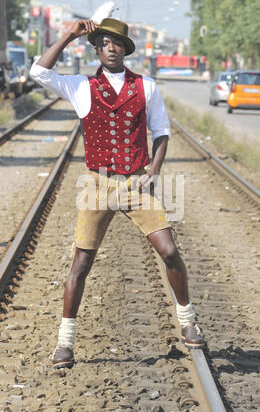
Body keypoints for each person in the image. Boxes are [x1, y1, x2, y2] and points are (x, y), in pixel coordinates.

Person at [30, 18, 204, 370]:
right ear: (97, 48)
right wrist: (67, 35)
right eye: (105, 43)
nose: (112, 48)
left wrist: (154, 172)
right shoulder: (81, 86)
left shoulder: (147, 87)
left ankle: (187, 319)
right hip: (97, 183)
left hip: (136, 181)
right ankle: (65, 343)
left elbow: (162, 132)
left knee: (169, 251)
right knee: (81, 263)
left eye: (118, 43)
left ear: (126, 49)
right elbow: (38, 72)